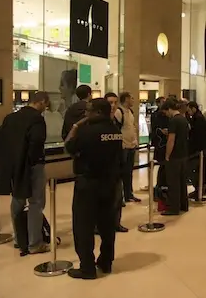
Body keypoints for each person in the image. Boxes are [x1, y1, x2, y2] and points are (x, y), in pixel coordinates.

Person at [64, 98, 123, 279]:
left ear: (98, 112)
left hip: (88, 184)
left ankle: (87, 267)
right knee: (107, 225)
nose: (86, 113)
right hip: (110, 183)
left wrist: (75, 127)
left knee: (83, 226)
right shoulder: (115, 131)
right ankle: (106, 262)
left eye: (89, 110)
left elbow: (69, 147)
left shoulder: (86, 131)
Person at [0, 92, 49, 254]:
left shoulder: (10, 118)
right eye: (45, 105)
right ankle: (34, 243)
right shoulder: (37, 119)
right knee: (36, 202)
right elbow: (36, 142)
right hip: (32, 166)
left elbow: (0, 139)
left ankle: (19, 239)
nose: (45, 108)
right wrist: (33, 160)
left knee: (17, 199)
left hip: (14, 165)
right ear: (41, 102)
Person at [159, 99, 189, 215]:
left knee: (173, 182)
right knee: (182, 181)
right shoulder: (183, 119)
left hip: (175, 155)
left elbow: (171, 140)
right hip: (183, 154)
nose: (166, 115)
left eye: (166, 112)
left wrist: (167, 155)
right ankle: (183, 205)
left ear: (169, 109)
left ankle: (173, 208)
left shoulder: (173, 121)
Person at [104, 92, 128, 233]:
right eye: (110, 103)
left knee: (117, 198)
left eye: (115, 103)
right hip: (103, 168)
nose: (113, 106)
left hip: (117, 165)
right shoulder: (100, 122)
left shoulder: (116, 122)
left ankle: (115, 223)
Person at [115, 92, 141, 203]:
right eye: (132, 98)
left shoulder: (130, 112)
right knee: (122, 171)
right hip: (123, 146)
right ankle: (120, 196)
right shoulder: (119, 112)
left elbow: (132, 127)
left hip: (131, 145)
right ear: (126, 99)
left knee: (129, 171)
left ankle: (128, 194)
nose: (133, 100)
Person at [187, 101, 206, 200]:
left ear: (193, 108)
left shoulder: (198, 119)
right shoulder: (198, 118)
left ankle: (199, 190)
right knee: (196, 171)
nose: (188, 112)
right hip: (200, 148)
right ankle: (198, 189)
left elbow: (198, 135)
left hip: (198, 149)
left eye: (189, 110)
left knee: (196, 170)